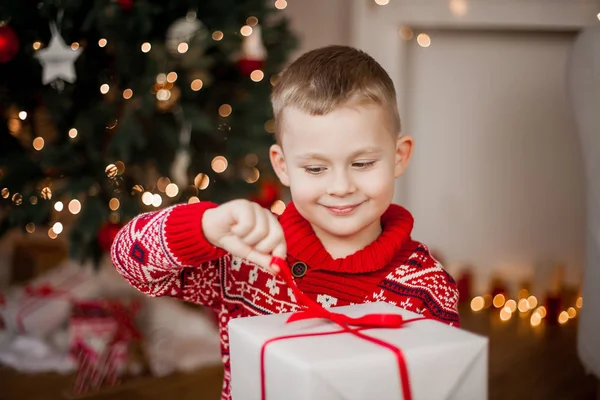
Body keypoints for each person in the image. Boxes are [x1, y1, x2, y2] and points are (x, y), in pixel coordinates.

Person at [111, 45, 459, 400]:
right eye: (315, 168)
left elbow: (440, 385)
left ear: (398, 157)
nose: (341, 187)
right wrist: (203, 227)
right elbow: (130, 262)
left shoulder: (427, 288)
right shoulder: (247, 260)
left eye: (363, 163)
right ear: (282, 166)